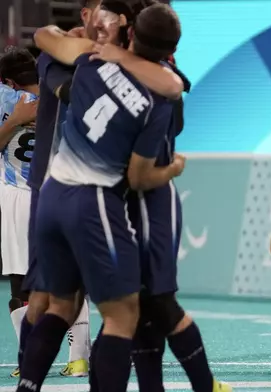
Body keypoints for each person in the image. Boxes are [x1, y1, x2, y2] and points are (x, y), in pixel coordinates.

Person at [17, 4, 185, 391]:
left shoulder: (90, 59)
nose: (91, 18)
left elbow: (44, 37)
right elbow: (141, 172)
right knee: (122, 313)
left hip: (53, 191)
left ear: (127, 28)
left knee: (57, 304)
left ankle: (27, 384)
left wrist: (106, 51)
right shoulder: (156, 94)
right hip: (92, 201)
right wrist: (173, 170)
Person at [0, 49, 41, 377]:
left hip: (17, 199)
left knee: (20, 286)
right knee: (68, 283)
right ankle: (79, 356)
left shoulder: (5, 98)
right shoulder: (63, 95)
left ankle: (30, 358)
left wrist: (13, 120)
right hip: (60, 196)